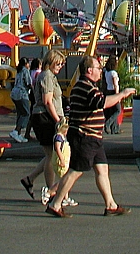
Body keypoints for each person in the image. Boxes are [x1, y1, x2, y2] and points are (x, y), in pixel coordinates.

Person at [45, 55, 134, 218]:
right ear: (89, 70)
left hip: (94, 137)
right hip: (85, 136)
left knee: (102, 169)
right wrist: (122, 94)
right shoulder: (86, 87)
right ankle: (55, 203)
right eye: (98, 68)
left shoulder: (86, 86)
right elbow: (102, 103)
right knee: (76, 170)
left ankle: (111, 205)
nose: (100, 71)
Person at [20, 50, 65, 204]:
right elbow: (47, 101)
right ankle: (51, 190)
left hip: (46, 116)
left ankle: (30, 179)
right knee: (52, 155)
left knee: (50, 154)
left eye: (61, 64)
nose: (60, 66)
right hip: (45, 118)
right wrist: (57, 119)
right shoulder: (46, 76)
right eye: (58, 63)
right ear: (50, 61)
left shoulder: (49, 76)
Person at [9, 58, 32, 143]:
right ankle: (16, 130)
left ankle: (18, 134)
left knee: (20, 112)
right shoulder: (25, 71)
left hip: (14, 93)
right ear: (26, 64)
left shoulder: (18, 71)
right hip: (22, 93)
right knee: (26, 113)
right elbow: (28, 82)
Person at [103, 58, 121, 134]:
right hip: (113, 92)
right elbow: (115, 85)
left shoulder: (107, 72)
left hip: (108, 91)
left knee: (112, 111)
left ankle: (115, 129)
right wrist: (118, 95)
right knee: (118, 110)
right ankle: (108, 123)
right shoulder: (113, 73)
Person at [51, 117, 70, 185]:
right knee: (64, 180)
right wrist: (61, 160)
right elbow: (57, 149)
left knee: (66, 180)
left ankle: (66, 196)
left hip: (65, 161)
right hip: (60, 162)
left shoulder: (63, 137)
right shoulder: (59, 137)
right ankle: (50, 191)